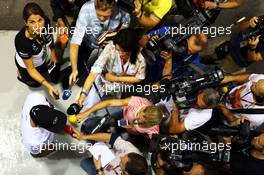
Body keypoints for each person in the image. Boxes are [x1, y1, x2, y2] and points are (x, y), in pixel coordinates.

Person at [77, 28, 146, 110]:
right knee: (88, 105)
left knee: (108, 110)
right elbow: (94, 72)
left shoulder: (141, 58)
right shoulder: (110, 48)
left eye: (124, 52)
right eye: (118, 50)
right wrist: (83, 94)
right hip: (103, 83)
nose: (120, 54)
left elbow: (139, 78)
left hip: (121, 89)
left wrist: (116, 78)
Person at [68, 0, 130, 87]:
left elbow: (126, 23)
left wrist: (116, 35)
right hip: (87, 42)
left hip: (107, 45)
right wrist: (74, 69)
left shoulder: (122, 10)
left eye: (105, 16)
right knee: (81, 63)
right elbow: (75, 42)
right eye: (98, 15)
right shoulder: (87, 9)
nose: (101, 19)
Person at [15, 2, 60, 99]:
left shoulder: (46, 23)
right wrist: (48, 86)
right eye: (32, 22)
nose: (38, 26)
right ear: (26, 22)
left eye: (40, 20)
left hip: (40, 59)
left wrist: (52, 52)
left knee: (44, 73)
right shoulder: (22, 42)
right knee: (35, 85)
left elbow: (49, 37)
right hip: (27, 66)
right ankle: (21, 75)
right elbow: (31, 69)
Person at [77, 96, 167, 139]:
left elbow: (145, 136)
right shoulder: (138, 102)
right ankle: (89, 124)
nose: (137, 118)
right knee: (107, 120)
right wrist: (87, 112)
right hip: (123, 113)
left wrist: (132, 129)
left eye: (141, 121)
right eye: (140, 113)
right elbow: (109, 103)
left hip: (130, 131)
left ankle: (95, 138)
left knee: (120, 139)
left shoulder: (154, 130)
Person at [72, 131, 149, 175]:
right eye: (124, 155)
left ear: (126, 173)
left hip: (101, 169)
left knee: (84, 163)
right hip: (105, 157)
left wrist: (99, 170)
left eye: (121, 162)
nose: (121, 157)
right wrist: (83, 137)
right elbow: (110, 137)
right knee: (85, 161)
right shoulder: (131, 150)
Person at [20, 93, 67, 157]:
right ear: (39, 126)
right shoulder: (33, 142)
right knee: (37, 154)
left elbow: (47, 102)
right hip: (35, 143)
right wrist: (46, 150)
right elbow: (38, 151)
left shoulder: (36, 97)